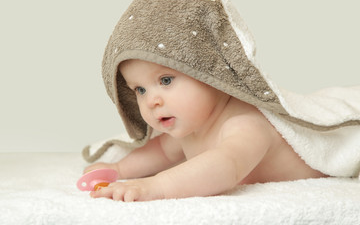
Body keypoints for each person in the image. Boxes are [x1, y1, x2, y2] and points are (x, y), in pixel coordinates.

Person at [84, 59, 326, 202]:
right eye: (140, 89)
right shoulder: (191, 127)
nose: (151, 101)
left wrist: (153, 187)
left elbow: (226, 166)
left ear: (212, 75)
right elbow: (161, 151)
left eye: (166, 80)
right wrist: (118, 169)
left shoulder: (246, 123)